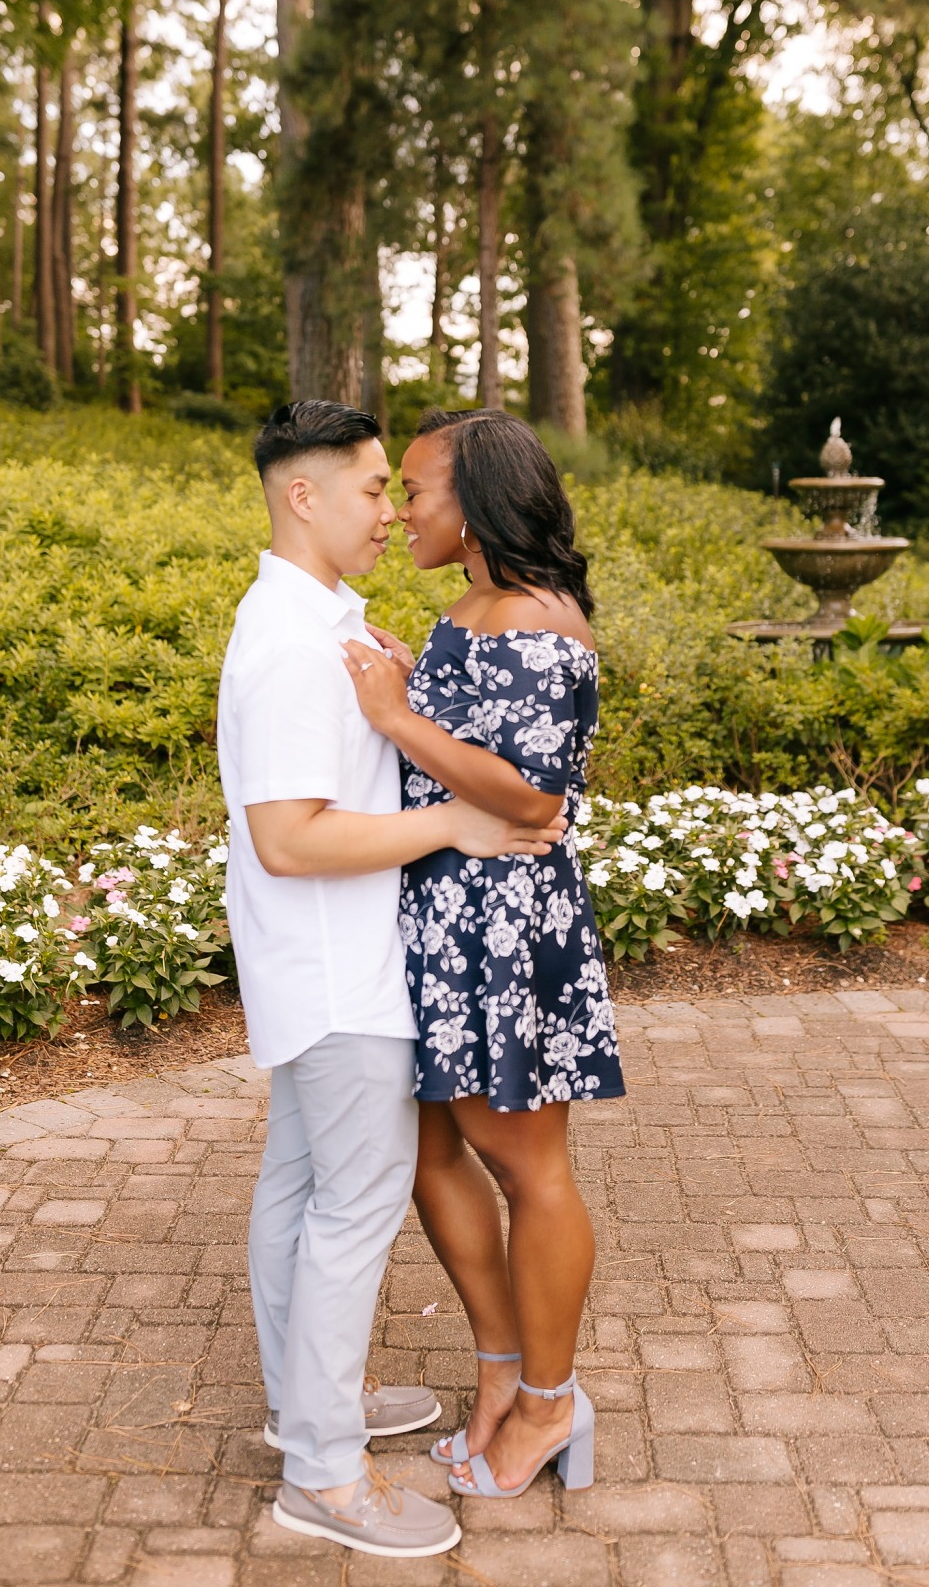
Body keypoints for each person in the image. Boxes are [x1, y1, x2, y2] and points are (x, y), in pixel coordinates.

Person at [215, 399, 566, 1560]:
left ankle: (303, 1407)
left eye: (399, 488)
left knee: (301, 1191)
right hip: (339, 971)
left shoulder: (326, 622)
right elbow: (292, 837)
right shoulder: (285, 641)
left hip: (331, 963)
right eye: (373, 487)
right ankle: (323, 1471)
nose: (392, 508)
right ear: (302, 497)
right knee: (351, 1210)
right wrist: (456, 826)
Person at [344, 407, 625, 1502]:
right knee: (430, 1152)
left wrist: (393, 716)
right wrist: (418, 694)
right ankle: (503, 1371)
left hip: (503, 919)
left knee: (525, 1163)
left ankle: (551, 1402)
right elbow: (478, 751)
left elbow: (532, 794)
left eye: (414, 489)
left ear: (476, 503)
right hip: (440, 906)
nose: (400, 508)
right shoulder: (475, 606)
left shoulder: (541, 618)